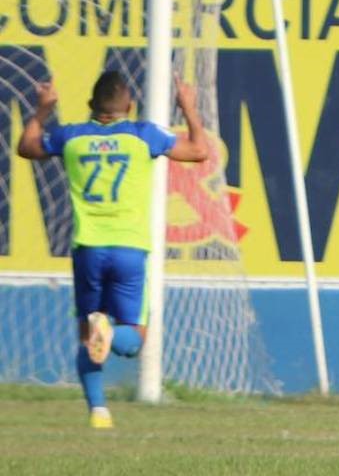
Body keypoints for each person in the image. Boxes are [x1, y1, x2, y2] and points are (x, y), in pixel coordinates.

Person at [18, 71, 210, 429]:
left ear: (92, 106)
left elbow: (27, 147)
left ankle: (99, 412)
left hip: (87, 248)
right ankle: (107, 334)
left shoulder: (70, 136)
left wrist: (43, 110)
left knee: (88, 334)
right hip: (129, 250)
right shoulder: (142, 135)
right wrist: (189, 108)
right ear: (130, 106)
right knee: (132, 340)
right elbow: (199, 151)